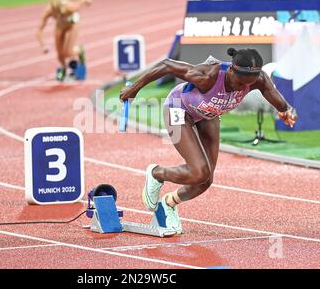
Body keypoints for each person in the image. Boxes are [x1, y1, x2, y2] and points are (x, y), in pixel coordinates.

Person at [120, 48, 297, 234]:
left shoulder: (256, 79)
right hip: (178, 108)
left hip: (208, 115)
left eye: (248, 84)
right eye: (239, 82)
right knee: (199, 171)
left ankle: (168, 204)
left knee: (205, 180)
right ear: (231, 71)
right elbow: (167, 65)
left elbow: (269, 90)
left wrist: (285, 109)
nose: (241, 88)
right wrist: (134, 89)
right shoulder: (207, 75)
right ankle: (157, 173)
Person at [36, 0, 92, 80]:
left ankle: (80, 50)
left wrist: (87, 0)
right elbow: (39, 29)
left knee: (68, 52)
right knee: (60, 54)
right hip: (59, 27)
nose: (58, 14)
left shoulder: (69, 7)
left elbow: (80, 3)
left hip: (71, 26)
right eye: (56, 13)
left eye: (60, 12)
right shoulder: (48, 11)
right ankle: (64, 68)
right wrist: (42, 45)